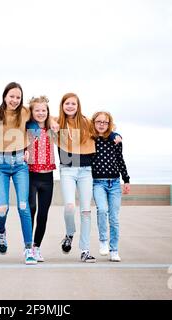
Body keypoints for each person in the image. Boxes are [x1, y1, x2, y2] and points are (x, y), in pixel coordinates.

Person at [0, 82, 37, 265]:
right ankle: (1, 232)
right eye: (11, 96)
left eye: (18, 97)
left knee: (23, 206)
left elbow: (43, 117)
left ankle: (28, 249)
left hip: (20, 164)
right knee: (3, 208)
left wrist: (29, 146)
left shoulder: (25, 112)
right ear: (4, 96)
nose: (15, 100)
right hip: (0, 163)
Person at [55, 93, 98, 263]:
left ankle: (85, 250)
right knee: (70, 207)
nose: (70, 106)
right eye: (67, 103)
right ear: (62, 105)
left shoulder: (87, 122)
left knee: (86, 211)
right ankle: (69, 233)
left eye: (74, 103)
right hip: (67, 169)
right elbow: (38, 116)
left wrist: (115, 136)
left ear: (78, 105)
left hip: (86, 170)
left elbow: (105, 127)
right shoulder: (57, 122)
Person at [91, 111, 130, 262]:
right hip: (98, 182)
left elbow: (120, 160)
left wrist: (126, 180)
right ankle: (103, 241)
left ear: (109, 124)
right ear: (93, 123)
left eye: (105, 122)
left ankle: (114, 249)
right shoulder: (91, 139)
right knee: (102, 210)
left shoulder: (115, 140)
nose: (101, 124)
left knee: (114, 218)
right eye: (98, 121)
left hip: (114, 183)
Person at [26, 95, 56, 262]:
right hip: (31, 175)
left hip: (48, 177)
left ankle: (37, 247)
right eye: (37, 110)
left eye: (43, 110)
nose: (40, 112)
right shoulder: (27, 127)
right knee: (31, 209)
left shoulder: (53, 126)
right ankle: (28, 247)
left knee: (43, 214)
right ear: (32, 111)